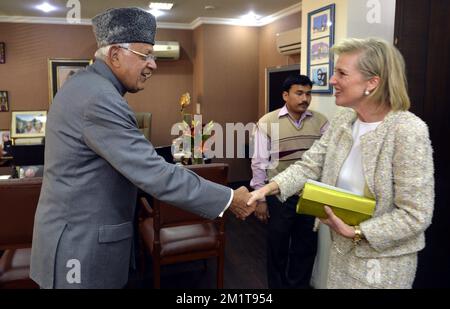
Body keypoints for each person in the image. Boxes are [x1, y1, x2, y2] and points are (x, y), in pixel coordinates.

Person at [30, 7, 256, 289]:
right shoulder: (99, 98)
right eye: (145, 55)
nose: (153, 64)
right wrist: (229, 198)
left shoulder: (85, 85)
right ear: (115, 55)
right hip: (80, 248)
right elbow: (154, 174)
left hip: (73, 238)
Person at [248, 37, 434, 289]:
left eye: (341, 73)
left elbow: (415, 214)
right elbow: (310, 164)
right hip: (341, 255)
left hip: (382, 266)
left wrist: (357, 232)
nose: (332, 80)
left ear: (372, 82)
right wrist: (267, 189)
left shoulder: (408, 130)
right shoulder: (343, 120)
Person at [251, 74, 327, 288]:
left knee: (306, 248)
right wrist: (261, 199)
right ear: (286, 95)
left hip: (311, 196)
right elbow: (259, 163)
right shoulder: (267, 122)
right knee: (278, 247)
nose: (305, 98)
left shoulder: (321, 122)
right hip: (279, 196)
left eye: (308, 93)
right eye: (299, 93)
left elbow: (326, 159)